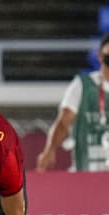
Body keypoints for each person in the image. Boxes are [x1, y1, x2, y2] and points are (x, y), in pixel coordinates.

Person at [36, 34, 109, 172]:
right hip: (86, 170)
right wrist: (50, 149)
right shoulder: (82, 85)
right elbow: (64, 121)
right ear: (100, 56)